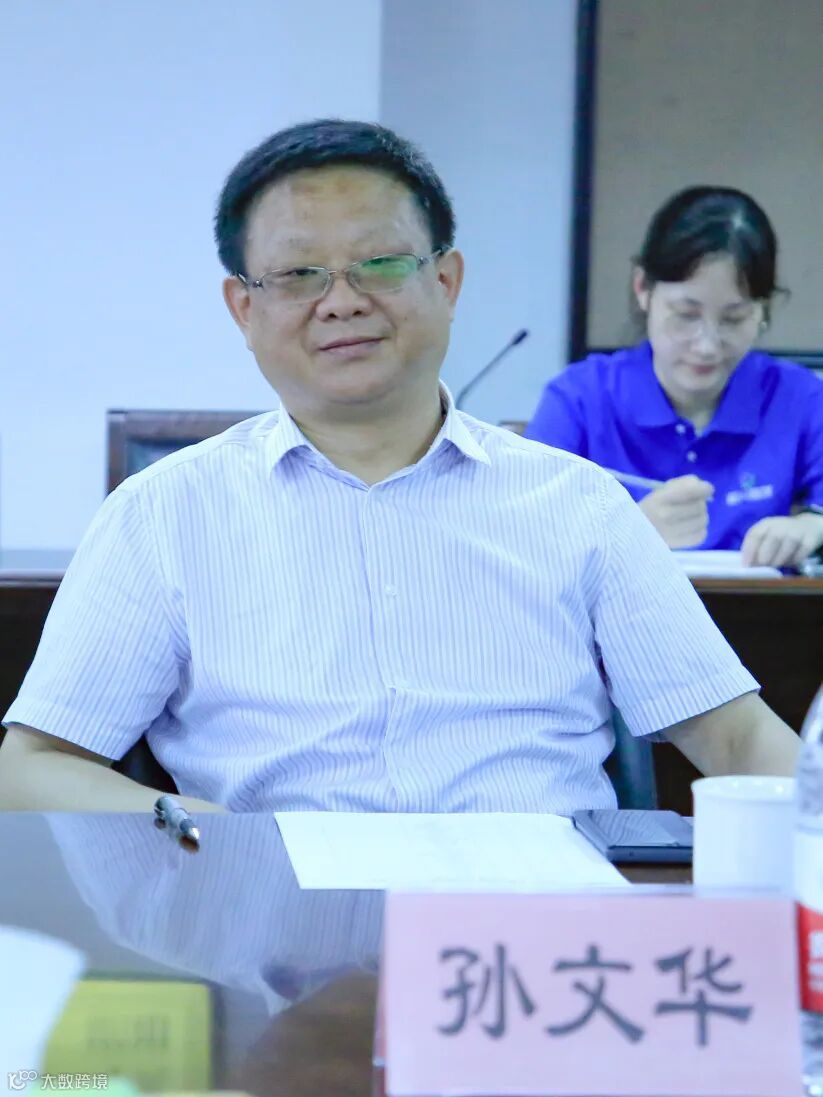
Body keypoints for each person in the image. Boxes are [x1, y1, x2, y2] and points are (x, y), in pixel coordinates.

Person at [0, 123, 799, 816]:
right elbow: (32, 766)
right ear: (243, 308)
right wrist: (210, 832)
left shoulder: (577, 503)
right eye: (298, 274)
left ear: (445, 282)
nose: (341, 301)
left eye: (379, 262)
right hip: (268, 915)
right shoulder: (162, 514)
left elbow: (735, 736)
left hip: (535, 917)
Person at [525, 187, 823, 566]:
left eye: (733, 319)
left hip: (755, 606)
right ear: (643, 290)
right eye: (686, 314)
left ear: (763, 310)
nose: (707, 346)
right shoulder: (580, 399)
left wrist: (812, 526)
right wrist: (627, 530)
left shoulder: (799, 398)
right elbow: (523, 536)